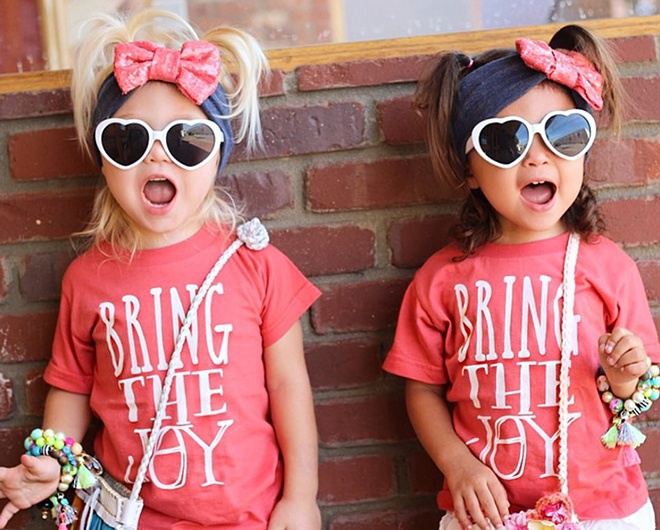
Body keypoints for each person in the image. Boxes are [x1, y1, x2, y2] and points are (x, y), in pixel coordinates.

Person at [0, 8, 322, 530]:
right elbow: (72, 389)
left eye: (186, 142)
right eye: (129, 141)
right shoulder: (86, 279)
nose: (157, 158)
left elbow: (289, 386)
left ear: (217, 156)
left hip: (252, 518)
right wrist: (54, 468)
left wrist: (301, 497)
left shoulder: (255, 264)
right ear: (104, 160)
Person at [383, 24, 660, 530]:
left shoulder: (607, 265)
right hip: (487, 513)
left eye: (562, 133)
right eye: (505, 141)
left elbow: (639, 392)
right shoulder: (441, 279)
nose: (537, 155)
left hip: (602, 508)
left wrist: (624, 378)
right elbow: (421, 389)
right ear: (469, 169)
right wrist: (457, 464)